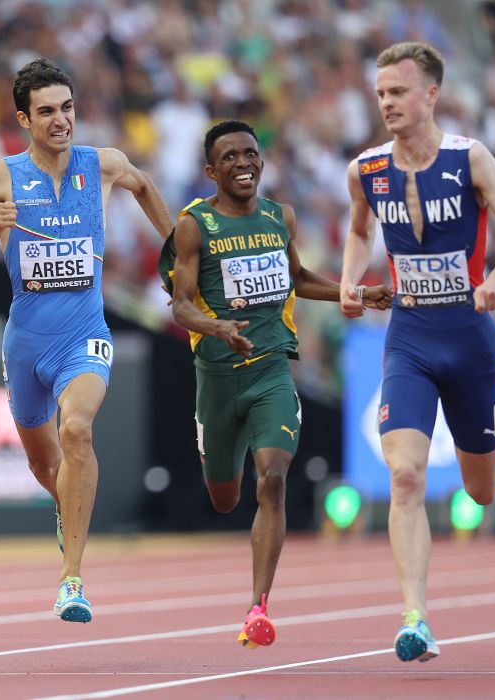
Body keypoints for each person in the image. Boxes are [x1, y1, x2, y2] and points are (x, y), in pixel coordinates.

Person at [0, 57, 173, 623]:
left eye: (67, 108)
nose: (60, 120)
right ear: (24, 118)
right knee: (46, 469)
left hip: (85, 336)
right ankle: (69, 512)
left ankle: (72, 579)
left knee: (76, 429)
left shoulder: (102, 166)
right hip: (25, 344)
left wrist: (177, 255)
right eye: (46, 111)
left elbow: (144, 185)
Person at [339, 42, 495, 663]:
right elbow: (358, 229)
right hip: (410, 337)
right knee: (405, 475)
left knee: (481, 493)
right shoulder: (366, 170)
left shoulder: (470, 160)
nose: (387, 104)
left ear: (431, 94)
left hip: (470, 339)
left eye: (398, 92)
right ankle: (415, 618)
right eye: (380, 94)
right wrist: (350, 278)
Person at [158, 119, 392, 649]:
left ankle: (258, 606)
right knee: (224, 498)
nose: (244, 164)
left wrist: (355, 290)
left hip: (271, 373)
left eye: (251, 154)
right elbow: (180, 303)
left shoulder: (278, 216)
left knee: (273, 482)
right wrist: (216, 327)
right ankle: (223, 454)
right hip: (217, 379)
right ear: (211, 171)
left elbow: (299, 278)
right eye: (231, 158)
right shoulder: (195, 225)